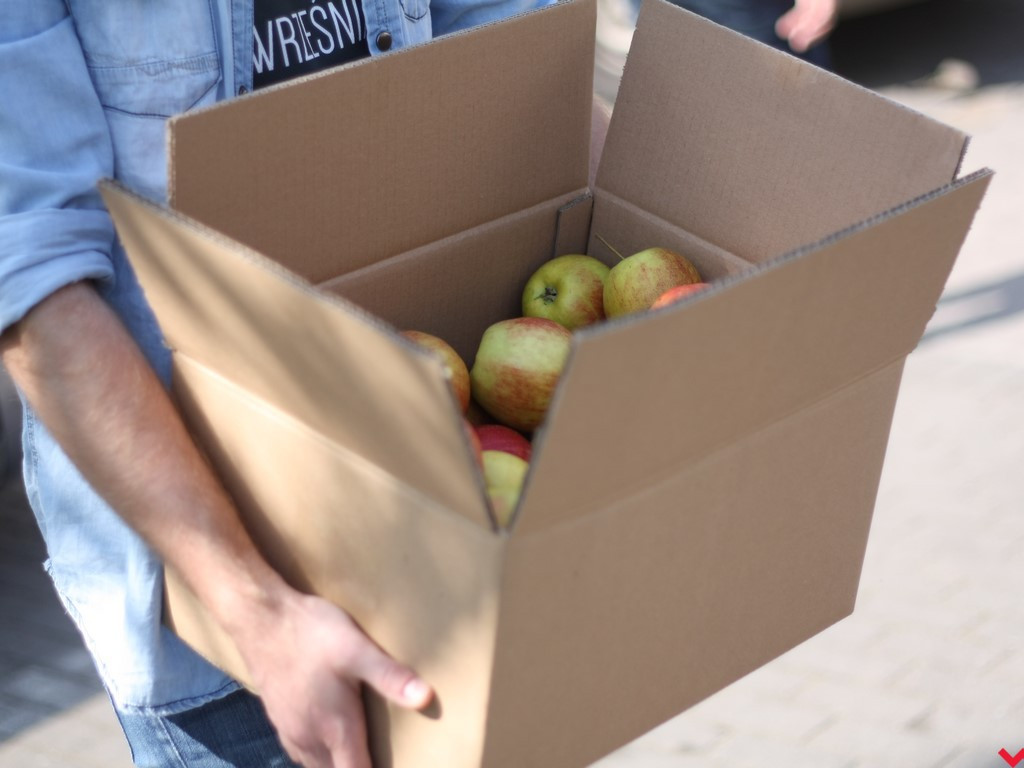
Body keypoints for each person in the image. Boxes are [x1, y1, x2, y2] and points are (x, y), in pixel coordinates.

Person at [0, 1, 558, 766]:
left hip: (453, 537)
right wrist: (259, 616)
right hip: (247, 642)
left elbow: (510, 42)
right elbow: (32, 277)